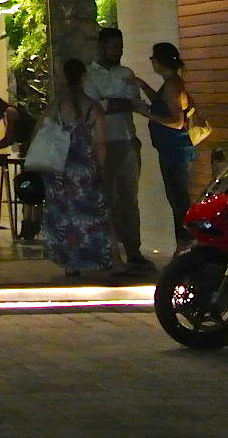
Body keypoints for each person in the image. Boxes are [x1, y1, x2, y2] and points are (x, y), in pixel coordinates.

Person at [83, 25, 151, 273]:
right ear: (101, 47)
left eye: (120, 47)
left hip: (127, 140)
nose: (118, 52)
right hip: (103, 142)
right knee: (107, 198)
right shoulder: (90, 75)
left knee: (129, 198)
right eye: (113, 47)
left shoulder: (126, 73)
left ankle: (134, 250)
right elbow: (97, 107)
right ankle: (109, 252)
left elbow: (134, 103)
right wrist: (120, 103)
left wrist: (114, 102)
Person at [42, 57, 115, 278]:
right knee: (90, 212)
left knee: (63, 212)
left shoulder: (57, 105)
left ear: (64, 77)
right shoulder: (93, 107)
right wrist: (100, 167)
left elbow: (42, 130)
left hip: (60, 165)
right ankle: (92, 258)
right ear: (84, 77)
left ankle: (68, 262)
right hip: (84, 165)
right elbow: (101, 142)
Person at [135, 42, 197, 249]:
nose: (152, 61)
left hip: (175, 150)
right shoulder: (171, 83)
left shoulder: (172, 85)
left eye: (153, 58)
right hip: (172, 149)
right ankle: (184, 243)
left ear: (160, 61)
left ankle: (185, 243)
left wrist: (147, 114)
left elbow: (177, 121)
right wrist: (143, 86)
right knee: (177, 198)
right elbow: (162, 102)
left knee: (178, 200)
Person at [0, 91, 40, 240]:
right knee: (28, 189)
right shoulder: (11, 112)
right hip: (30, 150)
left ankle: (31, 224)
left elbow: (8, 139)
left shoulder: (10, 113)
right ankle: (29, 224)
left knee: (28, 189)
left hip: (33, 151)